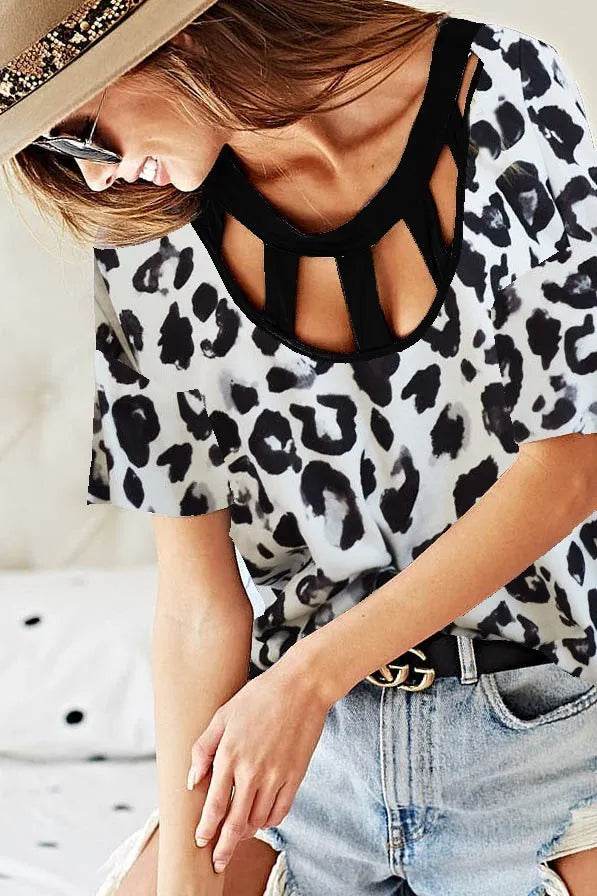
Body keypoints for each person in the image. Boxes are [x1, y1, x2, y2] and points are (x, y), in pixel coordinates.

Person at [1, 2, 596, 895]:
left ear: (172, 40)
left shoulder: (505, 86)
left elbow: (570, 464)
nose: (95, 176)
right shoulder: (147, 224)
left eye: (79, 135)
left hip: (541, 733)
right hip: (298, 768)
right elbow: (195, 608)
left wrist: (307, 681)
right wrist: (188, 875)